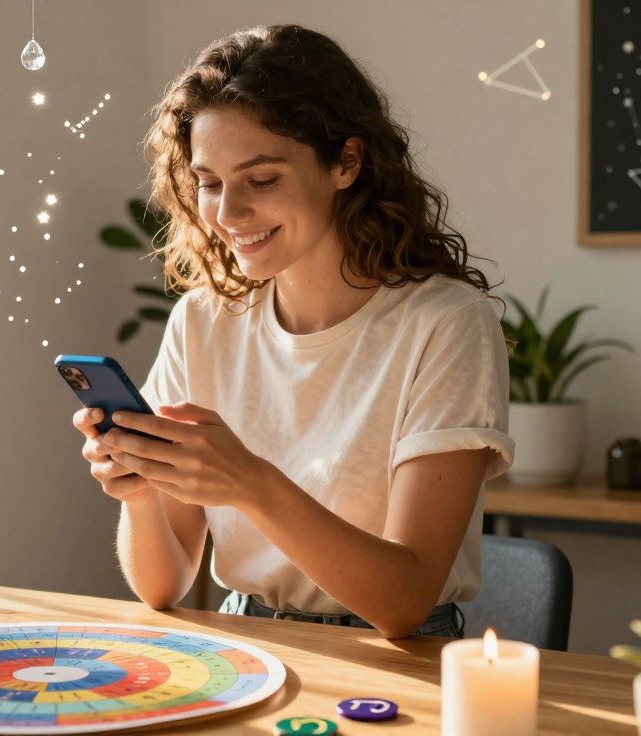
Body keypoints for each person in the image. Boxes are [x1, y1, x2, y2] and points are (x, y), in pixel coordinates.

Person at [72, 24, 514, 639]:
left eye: (262, 179)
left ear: (347, 163)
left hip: (403, 659)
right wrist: (141, 491)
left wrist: (250, 483)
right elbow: (162, 586)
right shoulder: (202, 322)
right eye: (209, 182)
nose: (228, 214)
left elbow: (404, 602)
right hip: (249, 641)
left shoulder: (445, 324)